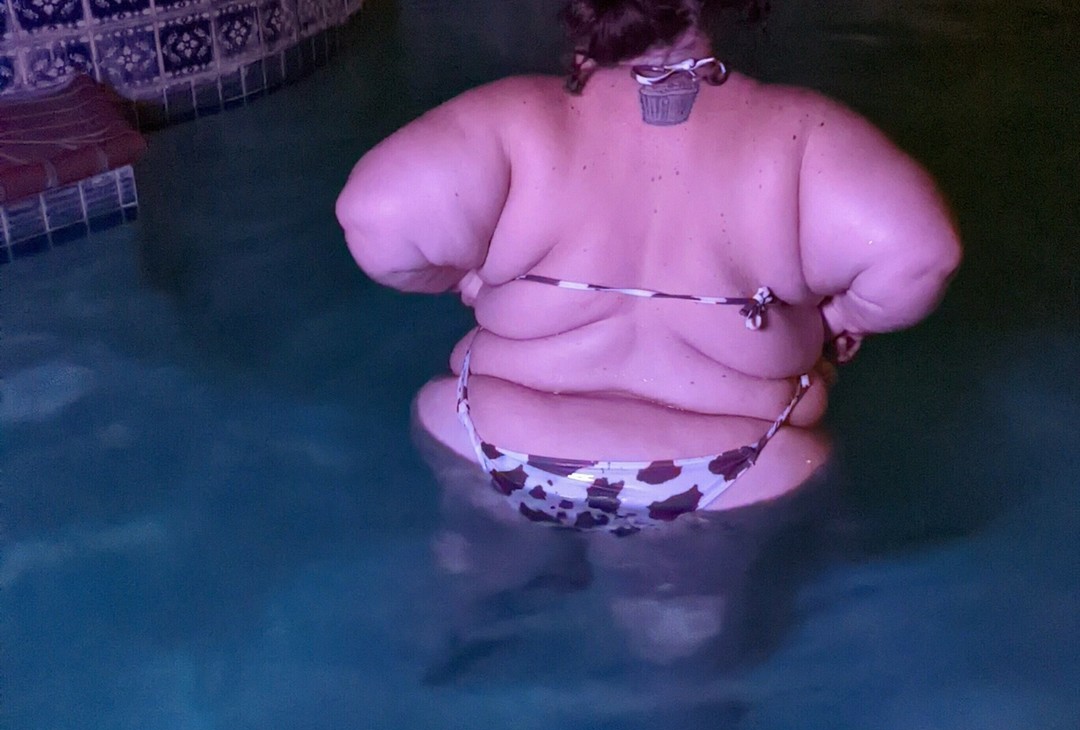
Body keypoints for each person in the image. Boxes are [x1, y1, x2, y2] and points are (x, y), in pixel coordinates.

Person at [336, 0, 961, 535]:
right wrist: (839, 317)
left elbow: (373, 218)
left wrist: (465, 277)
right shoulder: (800, 134)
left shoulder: (516, 116)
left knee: (473, 601)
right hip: (728, 472)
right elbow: (922, 257)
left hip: (489, 436)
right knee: (679, 630)